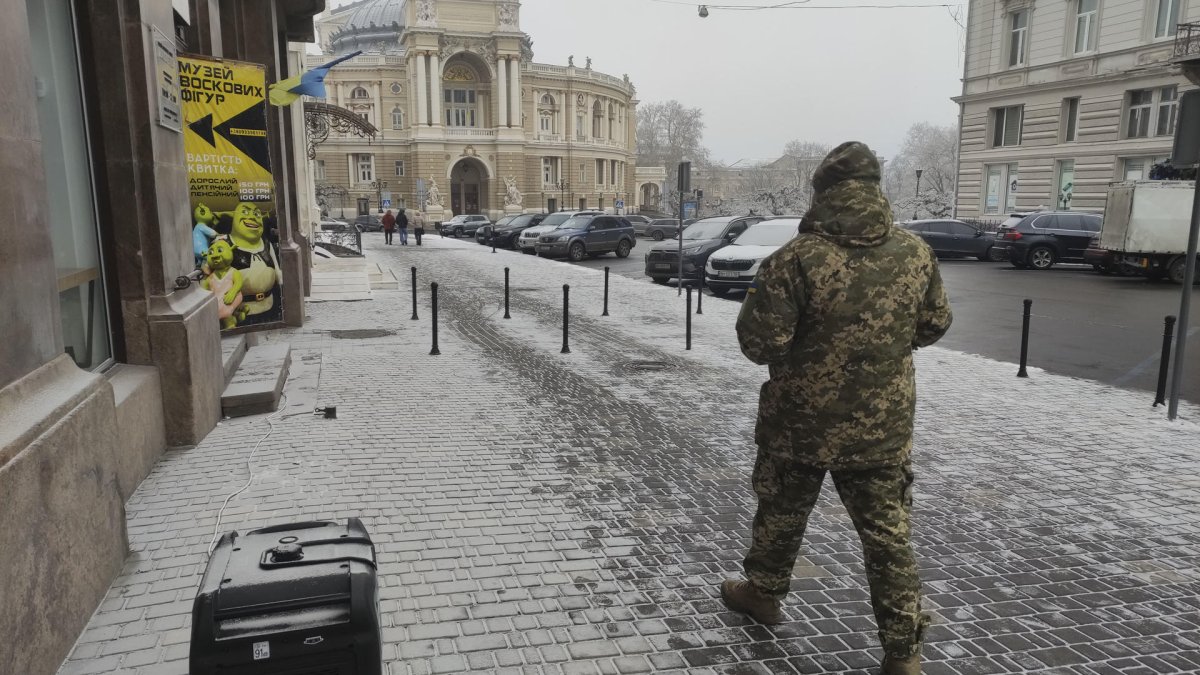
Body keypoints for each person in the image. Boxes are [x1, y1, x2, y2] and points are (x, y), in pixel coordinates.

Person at [721, 142, 952, 675]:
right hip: (881, 424)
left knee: (781, 515)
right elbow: (934, 324)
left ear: (822, 192)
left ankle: (763, 594)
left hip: (797, 423)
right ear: (875, 189)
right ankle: (903, 653)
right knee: (888, 537)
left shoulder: (795, 259)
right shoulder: (915, 253)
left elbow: (760, 343)